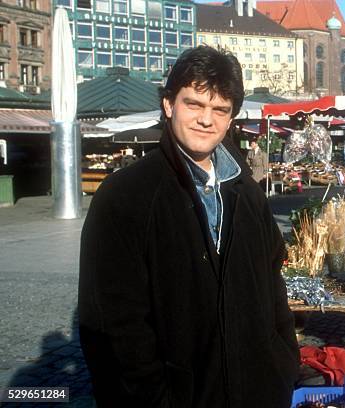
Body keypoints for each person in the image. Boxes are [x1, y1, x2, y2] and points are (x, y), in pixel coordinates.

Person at [78, 46, 299, 407]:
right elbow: (113, 327)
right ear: (169, 105)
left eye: (219, 109)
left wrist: (283, 362)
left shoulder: (248, 193)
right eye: (194, 104)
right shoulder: (125, 196)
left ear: (230, 119)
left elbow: (273, 286)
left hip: (259, 392)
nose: (206, 119)